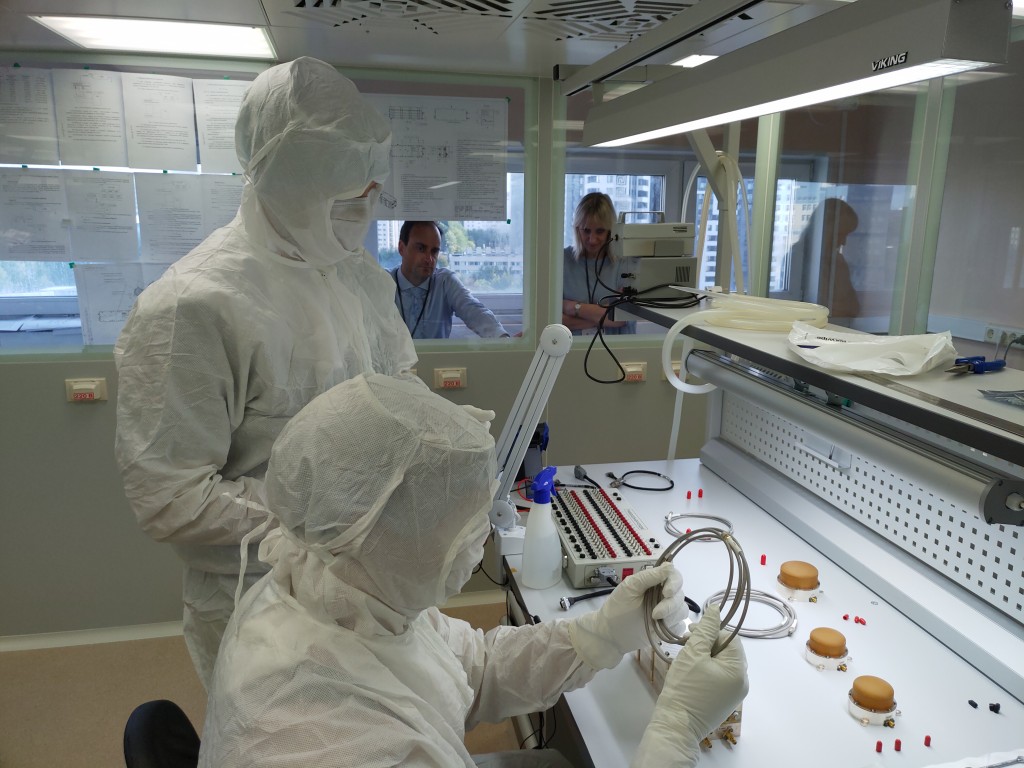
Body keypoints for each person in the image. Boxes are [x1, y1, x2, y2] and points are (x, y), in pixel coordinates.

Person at [198, 372, 749, 768]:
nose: (483, 536)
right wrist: (674, 733)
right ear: (380, 532)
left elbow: (472, 667)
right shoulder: (323, 738)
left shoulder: (342, 587)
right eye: (462, 523)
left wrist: (600, 634)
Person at [113, 57, 416, 690]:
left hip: (370, 586)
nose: (363, 212)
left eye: (371, 195)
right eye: (344, 199)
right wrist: (325, 508)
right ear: (285, 181)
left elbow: (399, 396)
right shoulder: (191, 307)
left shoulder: (356, 275)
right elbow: (170, 499)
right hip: (255, 597)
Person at [392, 220, 511, 339]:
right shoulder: (383, 282)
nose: (429, 259)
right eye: (421, 248)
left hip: (437, 358)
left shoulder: (444, 282)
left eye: (434, 251)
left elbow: (474, 310)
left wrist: (503, 339)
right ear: (402, 248)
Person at [562, 192, 638, 336]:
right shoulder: (561, 261)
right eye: (586, 231)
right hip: (571, 349)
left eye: (600, 231)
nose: (592, 239)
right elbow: (557, 321)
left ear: (610, 231)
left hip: (615, 350)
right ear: (577, 229)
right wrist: (606, 314)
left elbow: (623, 318)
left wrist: (574, 308)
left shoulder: (625, 263)